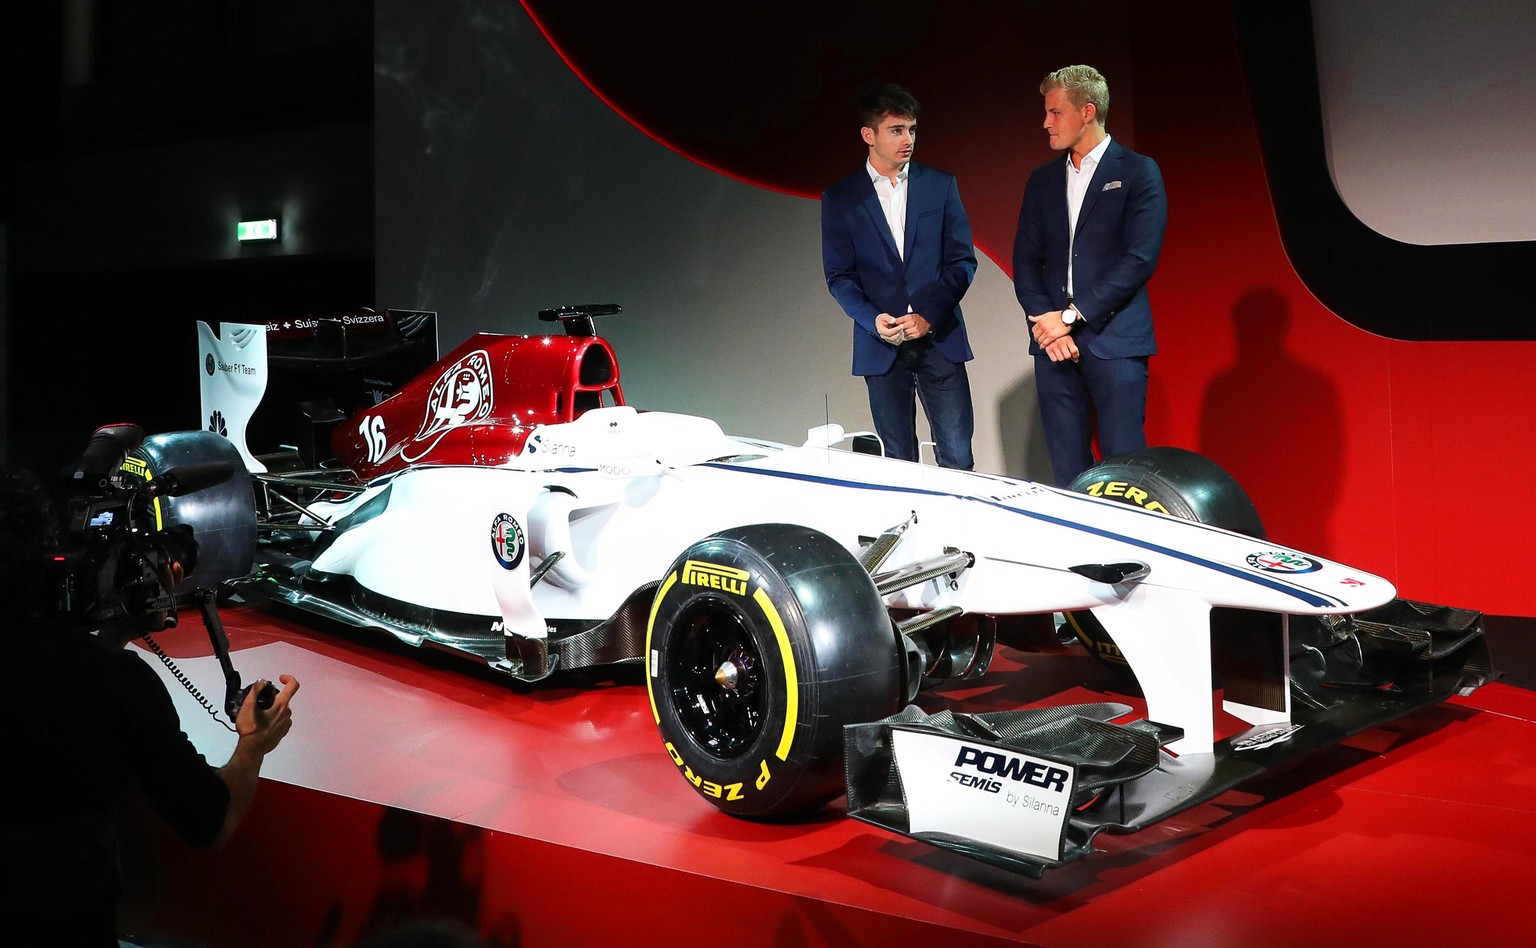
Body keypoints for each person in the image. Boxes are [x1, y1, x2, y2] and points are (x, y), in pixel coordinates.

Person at [0, 471, 300, 946]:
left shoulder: (104, 677)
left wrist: (115, 634)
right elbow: (210, 821)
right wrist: (254, 746)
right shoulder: (116, 683)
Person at [1013, 64, 1167, 487]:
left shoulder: (1138, 172)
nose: (1046, 122)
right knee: (1067, 472)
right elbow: (1025, 260)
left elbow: (1139, 260)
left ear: (1087, 111)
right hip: (1052, 344)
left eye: (1055, 112)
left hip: (1114, 340)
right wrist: (1050, 324)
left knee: (1125, 471)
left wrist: (1070, 317)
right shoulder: (1042, 180)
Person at [822, 83, 978, 469]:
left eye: (911, 129)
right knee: (898, 462)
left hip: (939, 340)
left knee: (958, 457)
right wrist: (873, 320)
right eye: (896, 130)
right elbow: (839, 276)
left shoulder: (940, 186)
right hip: (882, 346)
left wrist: (929, 315)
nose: (907, 139)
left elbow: (962, 262)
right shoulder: (842, 199)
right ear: (868, 135)